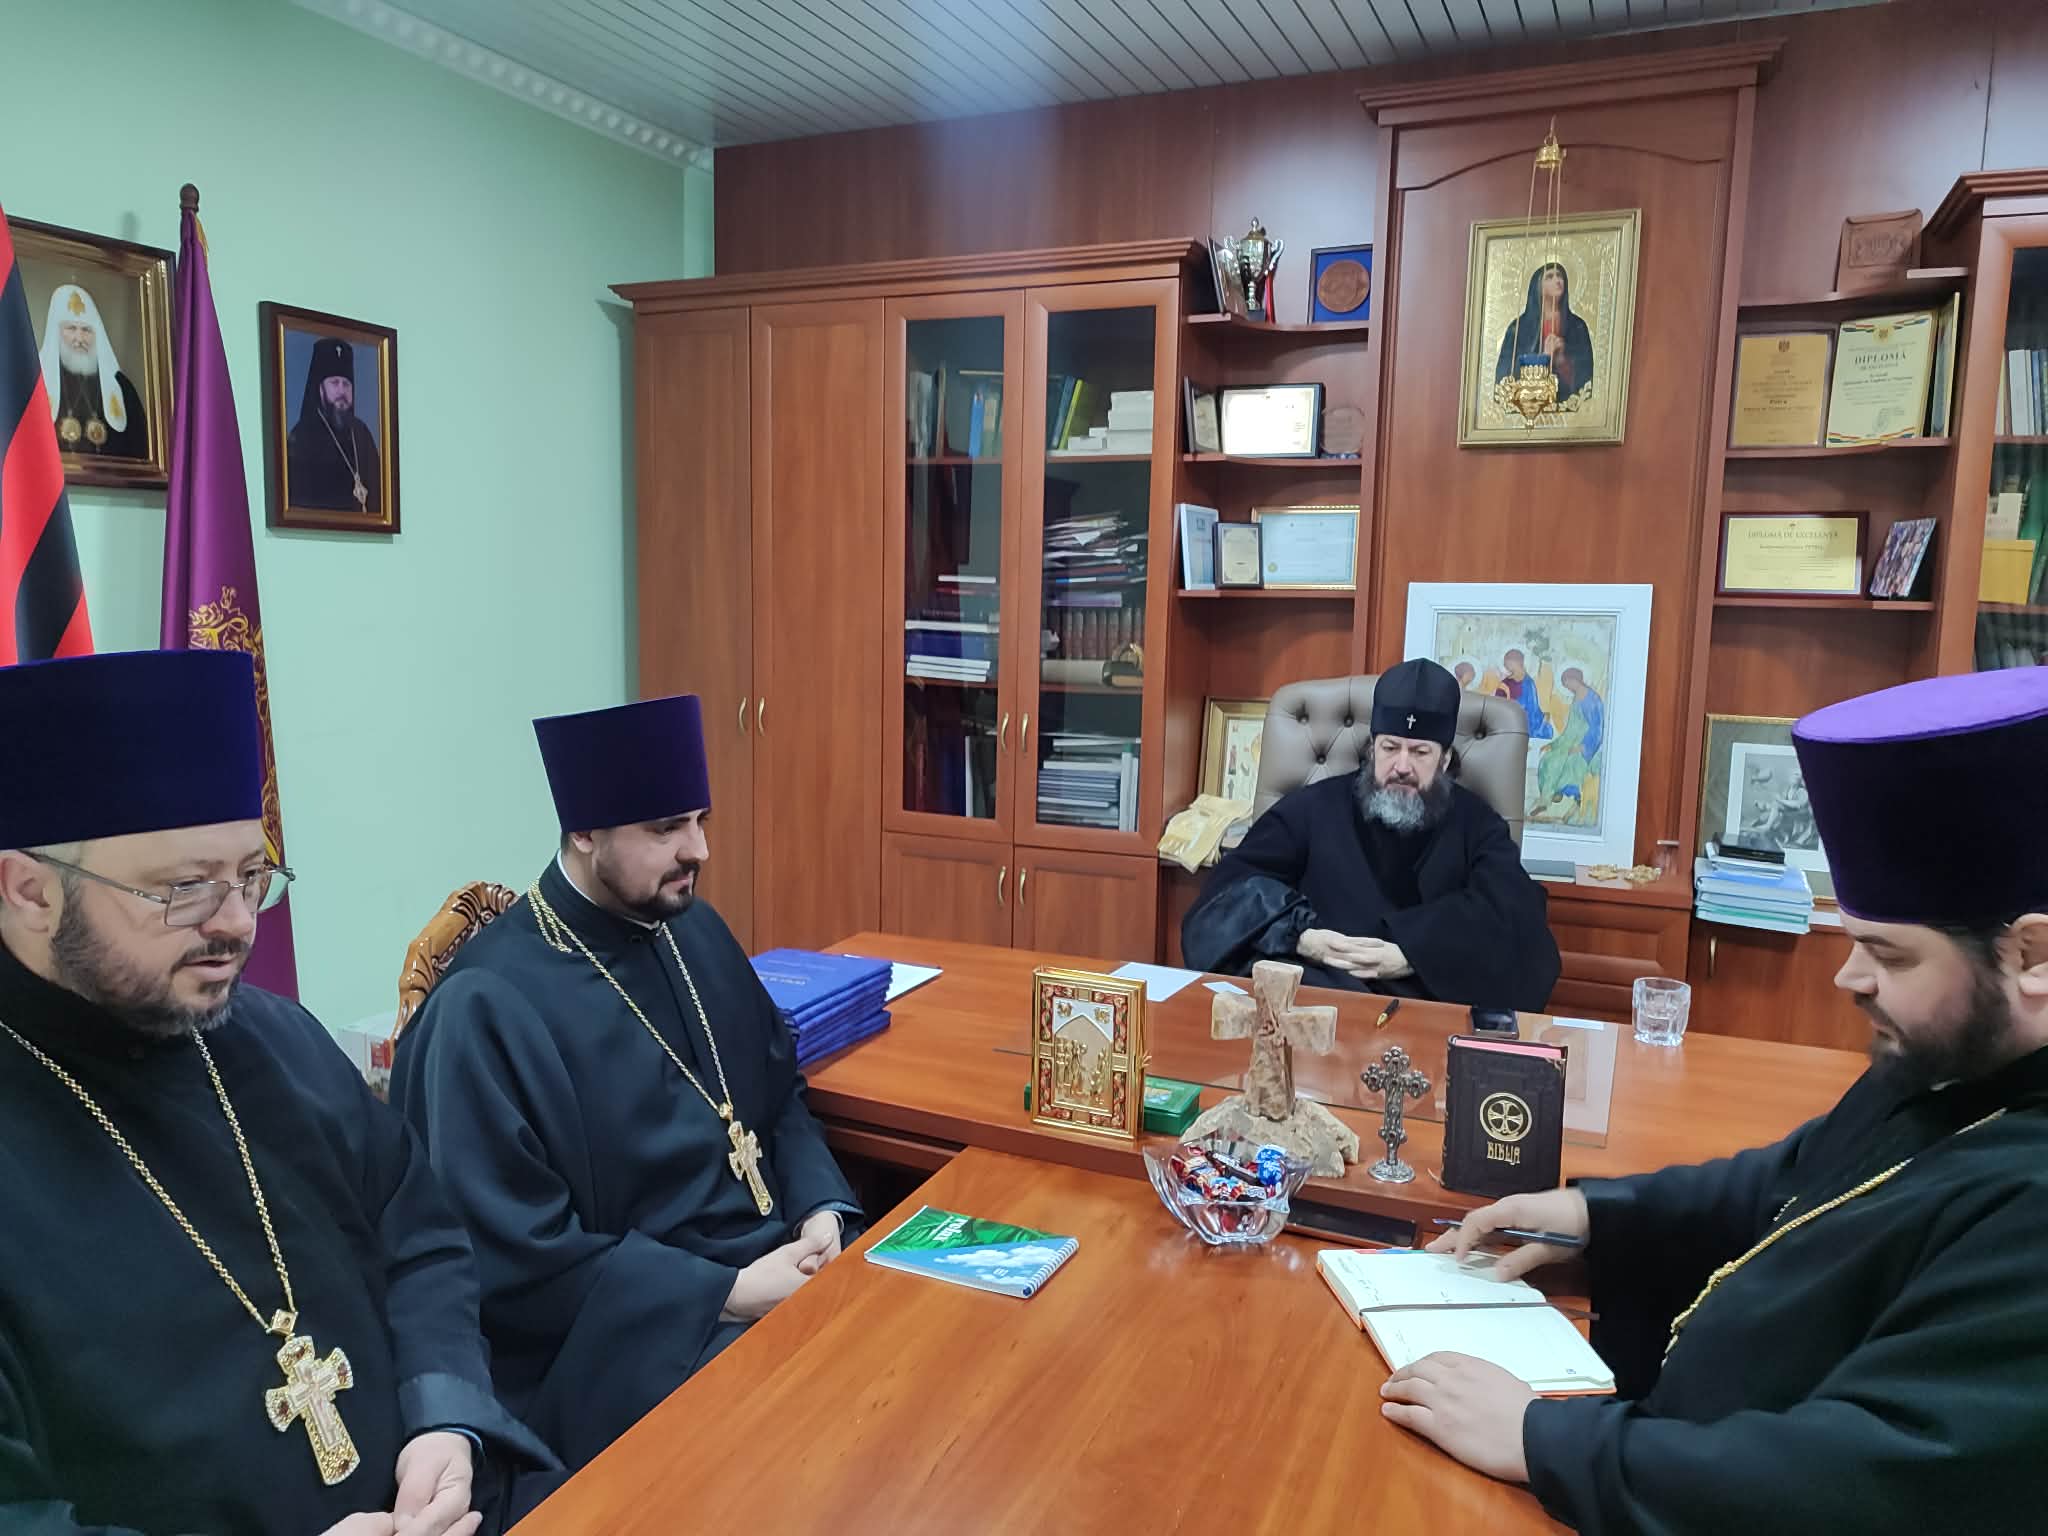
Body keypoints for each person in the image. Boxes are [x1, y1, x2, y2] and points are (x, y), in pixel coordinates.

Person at [1383, 668, 2048, 1534]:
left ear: (2031, 957)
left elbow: (1874, 1480)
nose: (1849, 979)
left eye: (1889, 955)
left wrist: (1543, 1438)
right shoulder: (1954, 1061)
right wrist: (1592, 1214)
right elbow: (1788, 1184)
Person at [0, 650, 550, 1536]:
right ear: (30, 892)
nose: (236, 924)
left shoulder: (277, 1039)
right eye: (183, 889)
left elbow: (420, 1238)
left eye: (250, 876)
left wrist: (445, 1417)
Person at [391, 693, 863, 1482]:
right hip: (628, 1349)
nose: (698, 850)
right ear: (585, 832)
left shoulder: (694, 930)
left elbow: (779, 1095)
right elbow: (512, 1264)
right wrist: (727, 1292)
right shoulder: (484, 1010)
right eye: (666, 829)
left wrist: (822, 1207)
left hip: (784, 1270)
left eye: (701, 821)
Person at [1180, 658, 1560, 1010]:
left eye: (1420, 752)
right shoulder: (1310, 808)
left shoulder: (1478, 825)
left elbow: (1516, 924)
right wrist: (1300, 937)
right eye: (1390, 748)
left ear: (1444, 760)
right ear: (1372, 749)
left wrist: (1414, 955)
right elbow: (1225, 896)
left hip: (1425, 1010)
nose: (1402, 766)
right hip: (1321, 1000)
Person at [39, 283, 145, 457]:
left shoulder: (122, 387)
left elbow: (139, 451)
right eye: (71, 328)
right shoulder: (35, 385)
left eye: (86, 330)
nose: (79, 338)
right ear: (56, 332)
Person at [287, 336, 382, 513]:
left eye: (346, 384)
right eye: (334, 383)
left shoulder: (361, 433)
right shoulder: (301, 437)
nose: (341, 391)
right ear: (320, 389)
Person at [1495, 261, 1594, 403]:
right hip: (1527, 405)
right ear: (1538, 286)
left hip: (1565, 404)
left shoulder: (1577, 326)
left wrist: (1562, 361)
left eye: (1559, 276)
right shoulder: (1519, 328)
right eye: (1550, 277)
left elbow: (1585, 375)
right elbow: (1505, 376)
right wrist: (1544, 358)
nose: (1557, 281)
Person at [1532, 666, 1603, 817]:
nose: (1567, 688)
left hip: (1586, 746)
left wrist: (1583, 747)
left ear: (1574, 680)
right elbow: (1570, 729)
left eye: (1567, 684)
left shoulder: (1592, 699)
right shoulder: (1576, 698)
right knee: (1548, 759)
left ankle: (1573, 797)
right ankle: (1547, 798)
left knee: (1568, 762)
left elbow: (1597, 728)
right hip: (1569, 742)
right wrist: (1553, 744)